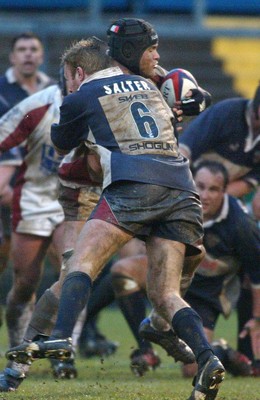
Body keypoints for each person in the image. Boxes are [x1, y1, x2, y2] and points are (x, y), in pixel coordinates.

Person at [6, 22, 225, 400]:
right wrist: (183, 102)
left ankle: (46, 345)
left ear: (76, 73)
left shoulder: (82, 94)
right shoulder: (149, 83)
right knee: (167, 292)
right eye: (151, 50)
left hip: (128, 187)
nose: (156, 56)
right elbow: (199, 99)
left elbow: (62, 145)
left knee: (74, 272)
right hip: (173, 188)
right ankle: (204, 355)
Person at [136, 161, 260, 377]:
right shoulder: (177, 203)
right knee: (121, 274)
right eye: (200, 186)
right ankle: (143, 350)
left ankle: (221, 350)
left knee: (191, 369)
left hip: (206, 294)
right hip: (173, 280)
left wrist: (257, 318)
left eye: (213, 189)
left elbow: (257, 274)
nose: (205, 195)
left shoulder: (241, 226)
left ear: (224, 191)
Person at [178, 85, 260, 364]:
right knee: (127, 270)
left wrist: (220, 196)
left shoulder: (240, 222)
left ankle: (243, 351)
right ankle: (86, 329)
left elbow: (249, 183)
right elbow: (183, 150)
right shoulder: (226, 115)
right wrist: (190, 194)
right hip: (185, 197)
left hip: (226, 217)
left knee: (250, 265)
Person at [0, 31, 56, 325]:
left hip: (41, 189)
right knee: (11, 262)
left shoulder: (56, 91)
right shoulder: (1, 91)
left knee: (68, 263)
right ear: (12, 57)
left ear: (42, 55)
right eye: (22, 49)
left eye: (33, 49)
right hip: (7, 186)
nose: (28, 54)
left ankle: (74, 336)